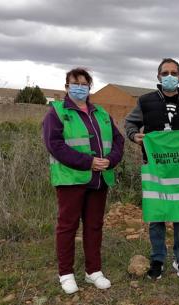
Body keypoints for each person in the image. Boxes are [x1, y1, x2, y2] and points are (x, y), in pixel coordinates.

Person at [43, 67, 124, 294]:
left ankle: (93, 271)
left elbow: (119, 141)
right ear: (67, 87)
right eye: (74, 83)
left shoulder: (101, 114)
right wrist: (88, 162)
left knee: (94, 226)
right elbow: (55, 145)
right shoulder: (57, 112)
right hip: (71, 179)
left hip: (100, 179)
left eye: (84, 83)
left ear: (90, 87)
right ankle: (66, 274)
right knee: (67, 226)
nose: (80, 87)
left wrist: (110, 160)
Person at [125, 58, 179, 279]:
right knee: (157, 215)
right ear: (158, 76)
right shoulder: (145, 101)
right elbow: (130, 124)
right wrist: (135, 136)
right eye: (165, 73)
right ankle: (157, 260)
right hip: (155, 168)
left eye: (174, 72)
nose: (169, 76)